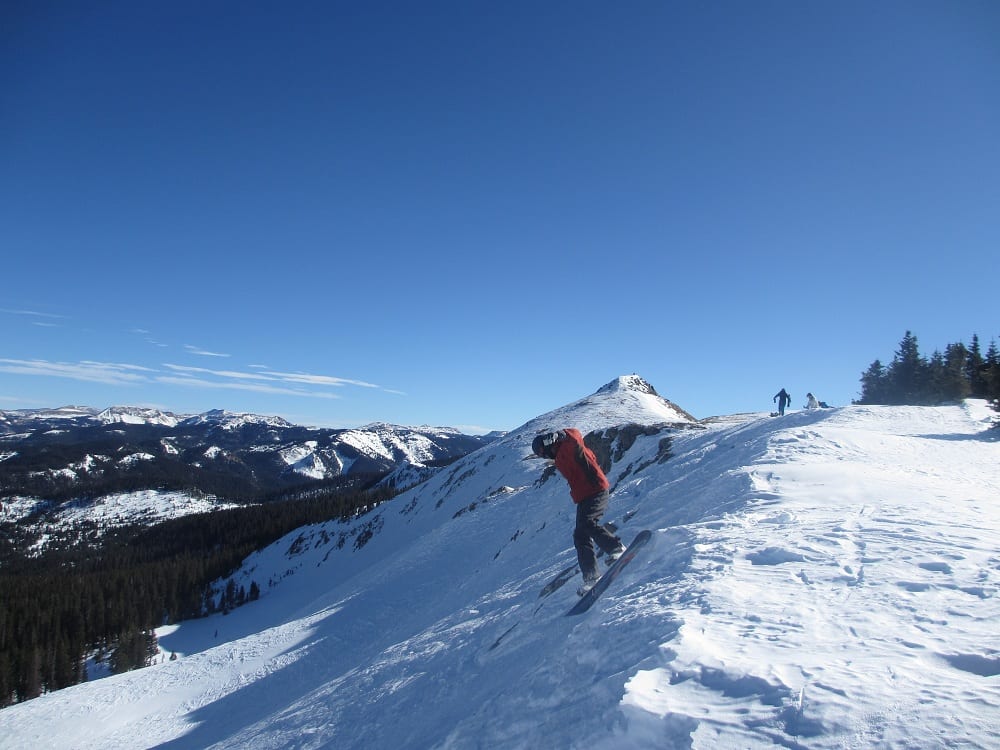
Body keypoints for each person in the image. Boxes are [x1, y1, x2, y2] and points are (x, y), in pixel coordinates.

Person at [532, 428, 626, 595]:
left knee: (588, 523)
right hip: (584, 496)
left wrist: (561, 435)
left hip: (596, 489)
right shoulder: (560, 459)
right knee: (580, 535)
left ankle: (616, 548)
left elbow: (575, 436)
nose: (544, 457)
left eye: (542, 453)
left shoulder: (569, 446)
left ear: (547, 446)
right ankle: (591, 577)